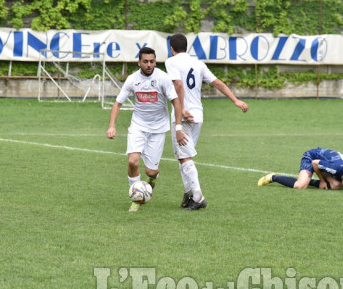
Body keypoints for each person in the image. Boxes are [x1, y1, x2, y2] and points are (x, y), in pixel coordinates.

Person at [165, 34, 248, 210]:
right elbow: (217, 83)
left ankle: (198, 196)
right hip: (198, 116)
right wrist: (236, 100)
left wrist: (180, 109)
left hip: (184, 116)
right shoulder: (198, 63)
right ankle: (188, 193)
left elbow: (178, 86)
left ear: (172, 49)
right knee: (183, 157)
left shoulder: (171, 62)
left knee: (184, 157)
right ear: (186, 48)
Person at [106, 47, 187, 212]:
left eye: (152, 61)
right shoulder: (132, 79)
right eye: (145, 61)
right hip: (138, 126)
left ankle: (152, 179)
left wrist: (178, 127)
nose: (149, 64)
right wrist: (112, 125)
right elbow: (117, 103)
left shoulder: (163, 78)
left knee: (151, 171)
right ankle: (136, 196)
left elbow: (176, 101)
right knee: (132, 161)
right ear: (139, 62)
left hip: (158, 130)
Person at [257, 147, 343, 191]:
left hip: (325, 164)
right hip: (312, 157)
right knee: (300, 186)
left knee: (335, 185)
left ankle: (308, 181)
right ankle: (272, 177)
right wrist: (322, 180)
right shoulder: (336, 168)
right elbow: (315, 163)